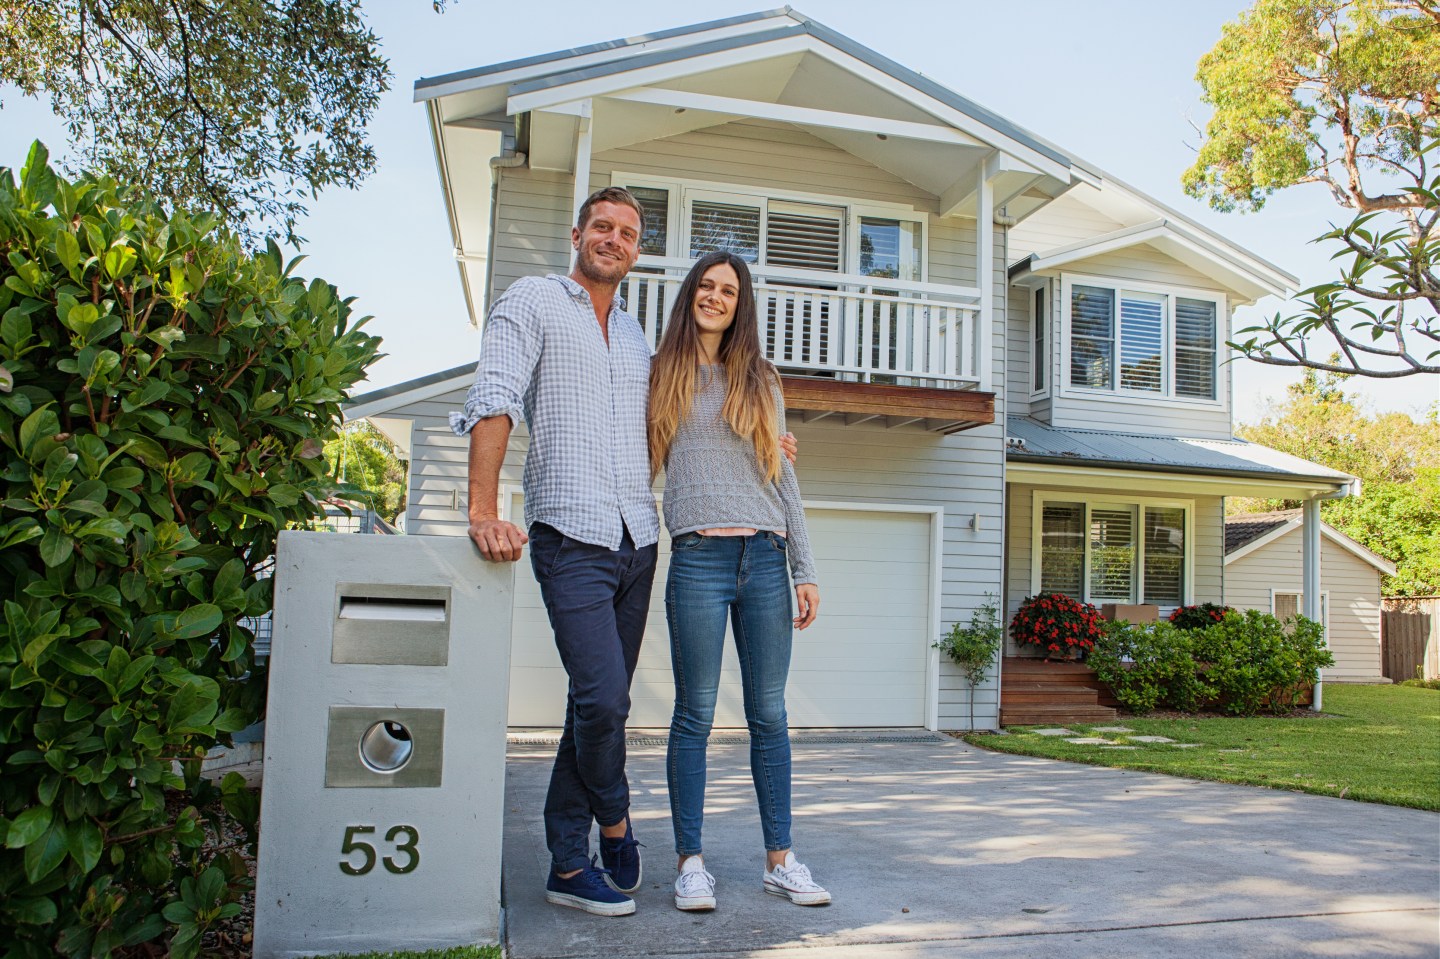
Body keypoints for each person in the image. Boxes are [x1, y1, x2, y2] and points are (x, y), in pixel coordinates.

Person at [450, 187, 655, 917]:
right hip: (571, 534)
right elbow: (495, 394)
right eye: (602, 226)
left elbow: (671, 423)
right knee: (604, 698)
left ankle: (568, 866)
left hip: (641, 539)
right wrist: (483, 507)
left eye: (627, 232)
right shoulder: (533, 300)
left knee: (591, 706)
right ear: (577, 233)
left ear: (636, 250)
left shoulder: (636, 336)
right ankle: (615, 822)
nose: (613, 238)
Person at [647, 250, 831, 912]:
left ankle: (780, 859)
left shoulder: (762, 377)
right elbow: (637, 460)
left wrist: (804, 567)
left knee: (769, 713)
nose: (715, 296)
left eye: (728, 289)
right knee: (694, 711)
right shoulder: (662, 372)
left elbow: (784, 475)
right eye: (706, 285)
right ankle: (690, 863)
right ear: (691, 294)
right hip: (697, 555)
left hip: (766, 557)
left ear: (740, 302)